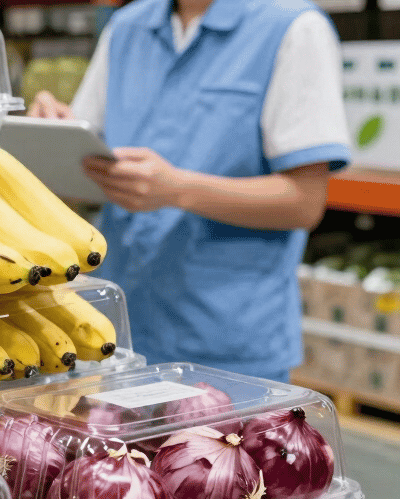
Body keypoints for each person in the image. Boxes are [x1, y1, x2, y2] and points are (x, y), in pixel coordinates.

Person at [28, 0, 350, 383]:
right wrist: (53, 136)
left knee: (219, 445)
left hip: (226, 341)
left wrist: (178, 190)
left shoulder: (292, 28)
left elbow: (304, 202)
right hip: (116, 330)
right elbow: (83, 174)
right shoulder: (127, 27)